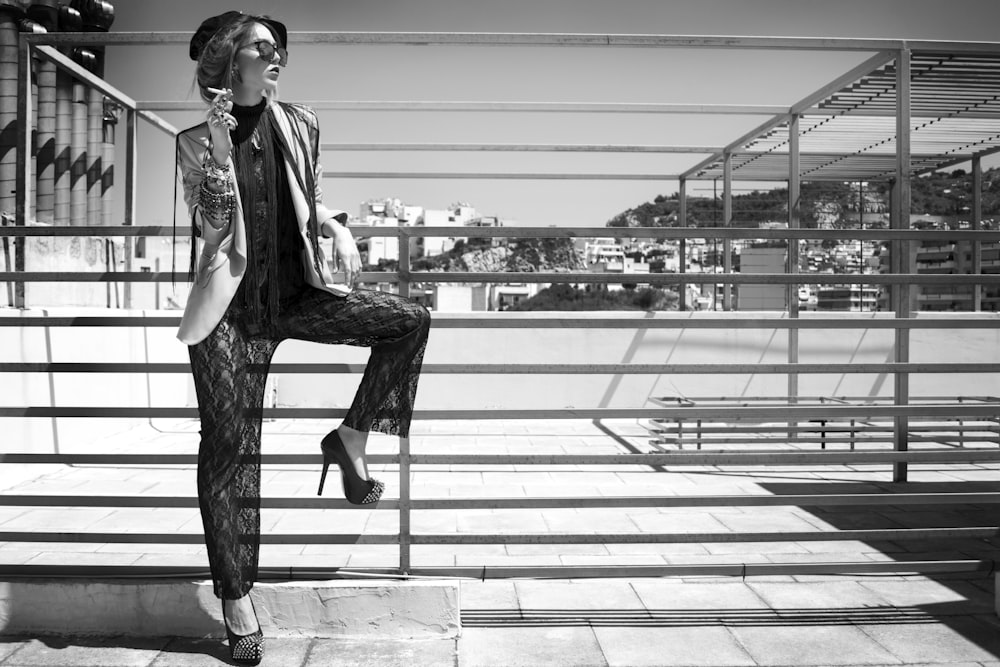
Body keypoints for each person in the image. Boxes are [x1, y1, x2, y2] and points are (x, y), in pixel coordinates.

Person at [178, 11, 431, 665]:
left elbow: (306, 196)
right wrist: (212, 157)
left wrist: (332, 224)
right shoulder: (193, 140)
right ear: (234, 59)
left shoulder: (303, 123)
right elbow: (210, 234)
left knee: (408, 321)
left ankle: (349, 436)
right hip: (230, 314)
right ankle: (237, 598)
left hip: (296, 297)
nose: (278, 54)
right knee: (230, 448)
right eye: (264, 46)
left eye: (280, 46)